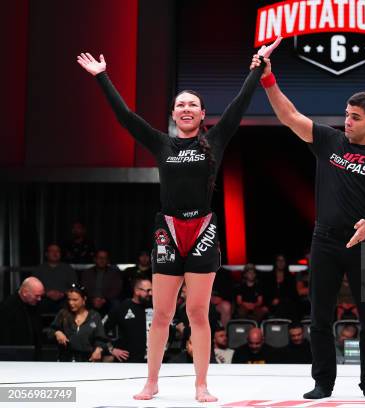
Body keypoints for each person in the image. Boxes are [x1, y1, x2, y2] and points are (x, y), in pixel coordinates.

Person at [77, 38, 280, 402]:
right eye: (180, 104)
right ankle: (151, 381)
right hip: (168, 230)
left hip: (202, 229)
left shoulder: (214, 140)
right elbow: (125, 118)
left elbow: (239, 104)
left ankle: (201, 384)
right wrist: (102, 77)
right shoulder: (161, 144)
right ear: (173, 114)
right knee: (162, 315)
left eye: (193, 105)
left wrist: (257, 67)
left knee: (199, 313)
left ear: (202, 115)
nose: (186, 109)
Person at [251, 39, 365, 400]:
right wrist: (268, 80)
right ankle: (323, 383)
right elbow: (289, 116)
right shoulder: (329, 141)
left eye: (355, 118)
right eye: (347, 114)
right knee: (319, 317)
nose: (347, 121)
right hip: (325, 240)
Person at [49, 284, 107, 362]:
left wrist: (98, 349)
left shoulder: (94, 316)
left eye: (75, 300)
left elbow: (101, 338)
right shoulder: (63, 314)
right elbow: (50, 331)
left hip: (87, 361)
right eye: (69, 299)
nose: (71, 303)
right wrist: (57, 332)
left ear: (84, 299)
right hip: (65, 360)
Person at [104, 278, 154, 363]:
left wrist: (165, 347)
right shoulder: (121, 308)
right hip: (128, 362)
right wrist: (111, 349)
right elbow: (101, 330)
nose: (151, 293)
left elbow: (169, 329)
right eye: (148, 290)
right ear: (137, 291)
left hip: (152, 362)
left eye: (152, 290)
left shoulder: (155, 308)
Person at [0, 277, 45, 359]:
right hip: (15, 356)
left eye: (41, 296)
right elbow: (5, 337)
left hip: (32, 355)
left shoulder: (34, 303)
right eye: (37, 296)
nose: (39, 299)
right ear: (25, 292)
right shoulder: (7, 307)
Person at [33, 243, 78, 313]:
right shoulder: (39, 269)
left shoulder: (68, 269)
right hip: (44, 300)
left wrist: (63, 293)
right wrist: (46, 293)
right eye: (52, 251)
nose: (55, 253)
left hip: (64, 300)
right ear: (46, 254)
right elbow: (33, 288)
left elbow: (74, 287)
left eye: (58, 251)